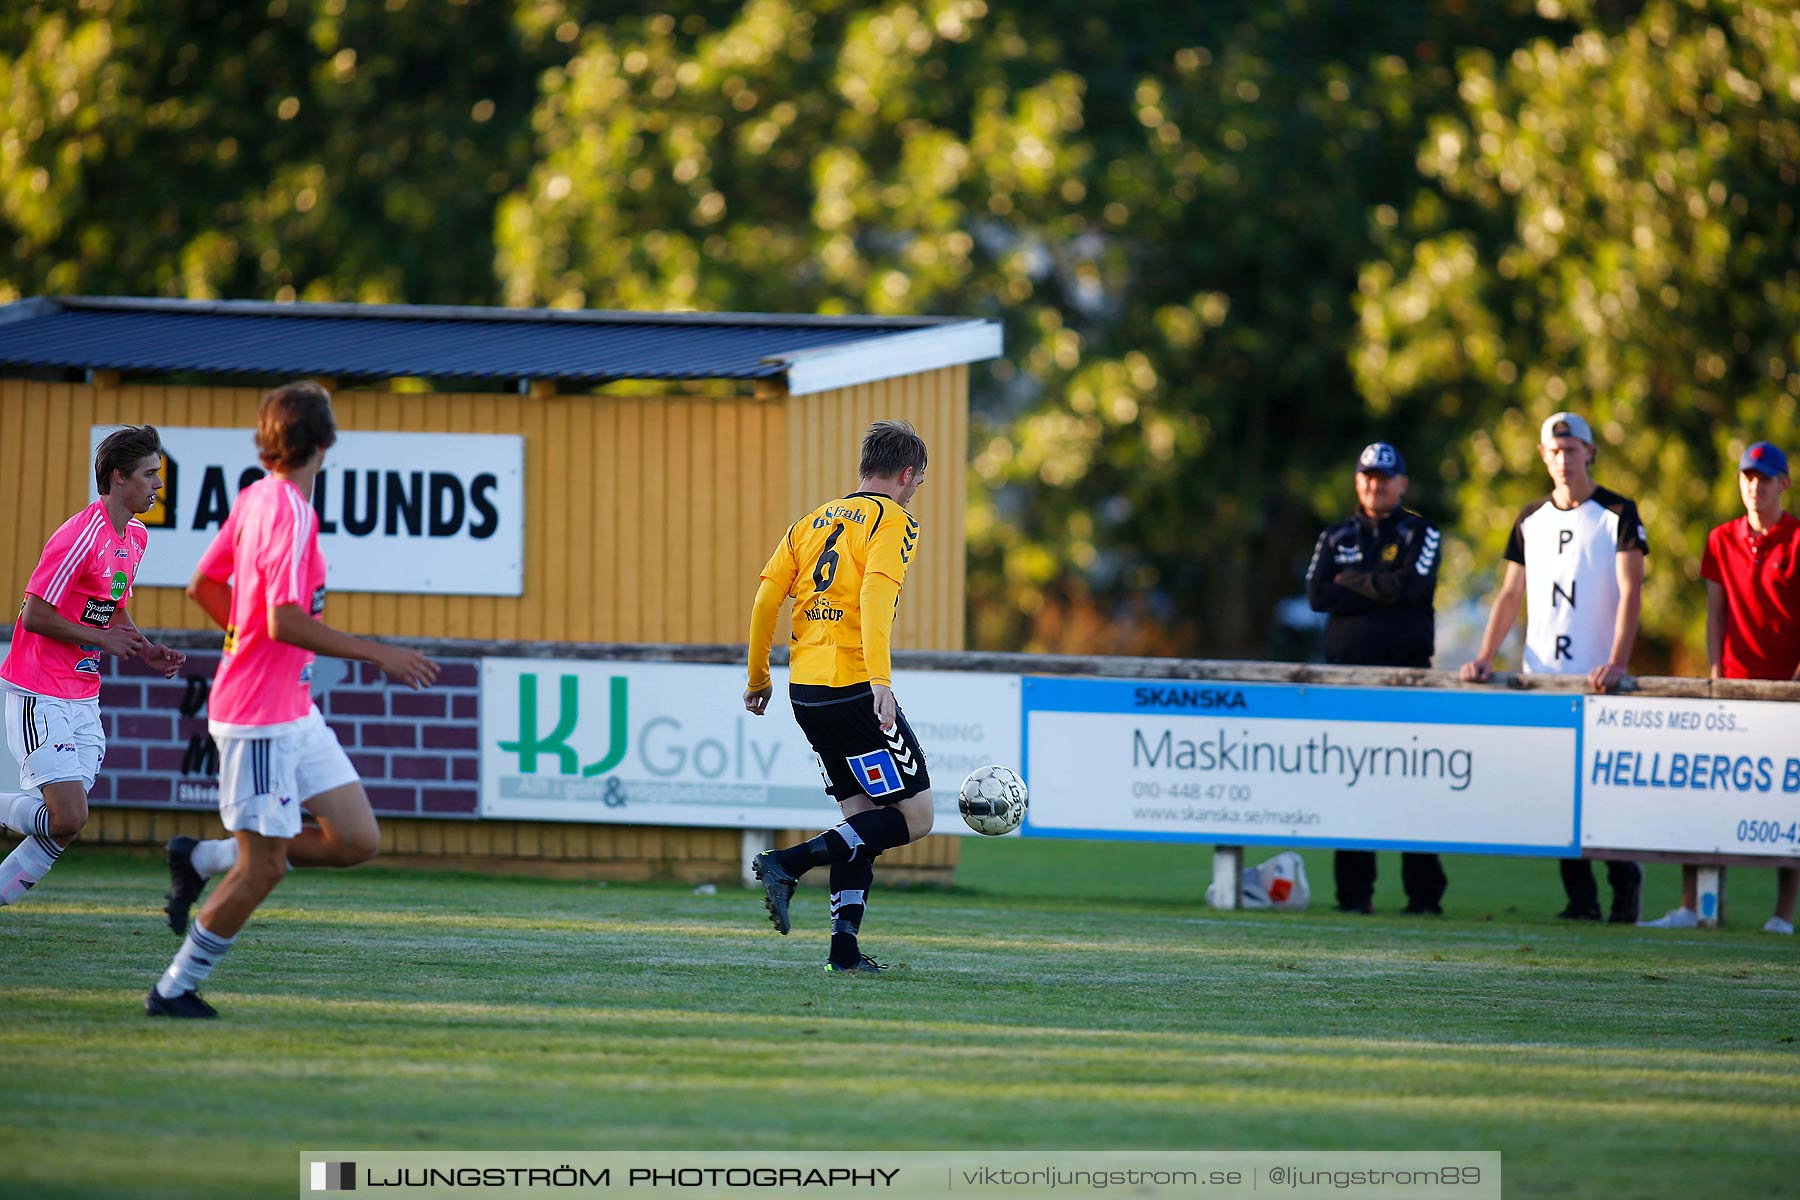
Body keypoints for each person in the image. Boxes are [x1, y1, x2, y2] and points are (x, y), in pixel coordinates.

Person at [147, 381, 437, 1018]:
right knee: (264, 869)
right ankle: (173, 990)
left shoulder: (256, 496)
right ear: (326, 442)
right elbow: (281, 619)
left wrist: (245, 642)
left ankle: (200, 857)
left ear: (268, 439)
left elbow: (203, 585)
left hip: (293, 708)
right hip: (258, 719)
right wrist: (377, 652)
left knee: (357, 840)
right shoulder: (289, 512)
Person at [742, 420, 935, 974]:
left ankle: (843, 954)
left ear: (862, 469)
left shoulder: (811, 521)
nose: (915, 489)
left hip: (807, 691)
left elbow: (764, 602)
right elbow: (875, 595)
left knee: (861, 823)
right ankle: (787, 862)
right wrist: (881, 682)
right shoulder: (893, 520)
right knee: (916, 817)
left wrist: (759, 679)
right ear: (906, 474)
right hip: (853, 686)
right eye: (917, 479)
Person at [1461, 411, 1647, 923]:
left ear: (1590, 452)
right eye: (1554, 451)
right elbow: (1509, 593)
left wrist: (1618, 660)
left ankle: (1624, 879)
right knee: (1553, 794)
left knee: (1602, 794)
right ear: (1543, 456)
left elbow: (1632, 591)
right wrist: (1485, 655)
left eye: (1573, 449)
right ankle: (1581, 899)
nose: (1564, 459)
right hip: (1542, 677)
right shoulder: (1529, 518)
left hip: (1598, 681)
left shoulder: (1618, 512)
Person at [0, 426, 186, 905]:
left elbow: (112, 607)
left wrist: (145, 648)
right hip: (39, 691)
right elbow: (35, 614)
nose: (157, 485)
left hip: (83, 695)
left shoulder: (137, 536)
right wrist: (100, 638)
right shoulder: (78, 535)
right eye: (150, 475)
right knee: (67, 818)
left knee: (66, 823)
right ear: (119, 477)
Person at [1642, 440, 1798, 935]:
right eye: (1747, 477)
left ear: (1783, 485)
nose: (1755, 487)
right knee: (1706, 791)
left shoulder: (1797, 538)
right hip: (1733, 683)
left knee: (1786, 800)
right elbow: (1717, 610)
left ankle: (1782, 914)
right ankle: (1692, 904)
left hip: (1787, 689)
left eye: (1765, 478)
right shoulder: (1720, 539)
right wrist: (1715, 669)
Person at [1305, 442, 1449, 915]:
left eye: (1385, 477)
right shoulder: (1335, 535)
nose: (1376, 484)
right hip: (1347, 681)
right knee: (1350, 784)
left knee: (1413, 785)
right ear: (1357, 480)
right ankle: (1353, 895)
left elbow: (1409, 588)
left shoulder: (1419, 532)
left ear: (1402, 483)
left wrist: (1352, 583)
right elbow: (1316, 595)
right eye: (1368, 475)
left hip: (1406, 680)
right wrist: (1377, 587)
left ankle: (1424, 896)